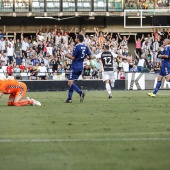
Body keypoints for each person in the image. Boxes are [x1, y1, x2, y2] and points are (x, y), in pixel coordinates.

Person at [64, 34, 92, 103]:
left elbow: (73, 58)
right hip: (80, 67)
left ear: (78, 39)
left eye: (76, 38)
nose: (75, 39)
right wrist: (84, 57)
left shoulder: (77, 46)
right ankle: (69, 99)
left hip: (75, 66)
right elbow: (90, 56)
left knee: (69, 83)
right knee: (72, 82)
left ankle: (80, 92)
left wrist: (67, 55)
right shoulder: (86, 46)